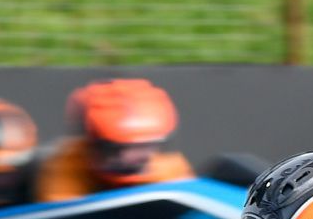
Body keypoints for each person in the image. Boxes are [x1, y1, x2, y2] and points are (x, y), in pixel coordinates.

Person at [35, 79, 194, 202]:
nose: (136, 157)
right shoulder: (65, 166)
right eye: (119, 149)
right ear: (92, 145)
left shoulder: (172, 170)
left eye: (146, 146)